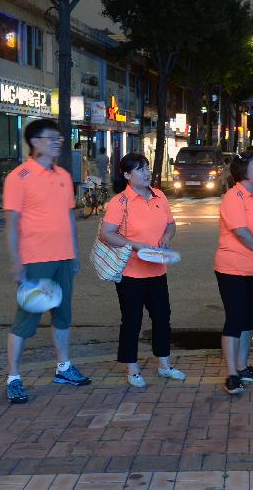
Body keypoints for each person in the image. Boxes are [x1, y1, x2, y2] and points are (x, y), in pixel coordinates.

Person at [2, 118, 89, 405]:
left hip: (63, 257)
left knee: (63, 314)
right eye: (52, 137)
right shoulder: (19, 177)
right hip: (35, 259)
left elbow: (69, 219)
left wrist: (74, 253)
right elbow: (11, 224)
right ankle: (13, 377)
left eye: (59, 138)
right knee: (26, 319)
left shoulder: (63, 175)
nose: (58, 142)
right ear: (35, 142)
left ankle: (64, 367)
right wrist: (17, 262)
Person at [99, 153, 185, 388]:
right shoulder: (121, 202)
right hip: (130, 274)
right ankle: (132, 369)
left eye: (147, 167)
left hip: (157, 270)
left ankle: (164, 365)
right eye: (140, 169)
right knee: (132, 320)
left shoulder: (159, 196)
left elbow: (171, 224)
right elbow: (106, 233)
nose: (147, 173)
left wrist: (167, 238)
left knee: (162, 318)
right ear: (127, 175)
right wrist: (135, 245)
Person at [215, 151, 253, 394]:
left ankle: (242, 367)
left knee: (248, 319)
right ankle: (231, 374)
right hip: (232, 268)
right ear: (242, 171)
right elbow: (240, 231)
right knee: (235, 319)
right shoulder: (234, 197)